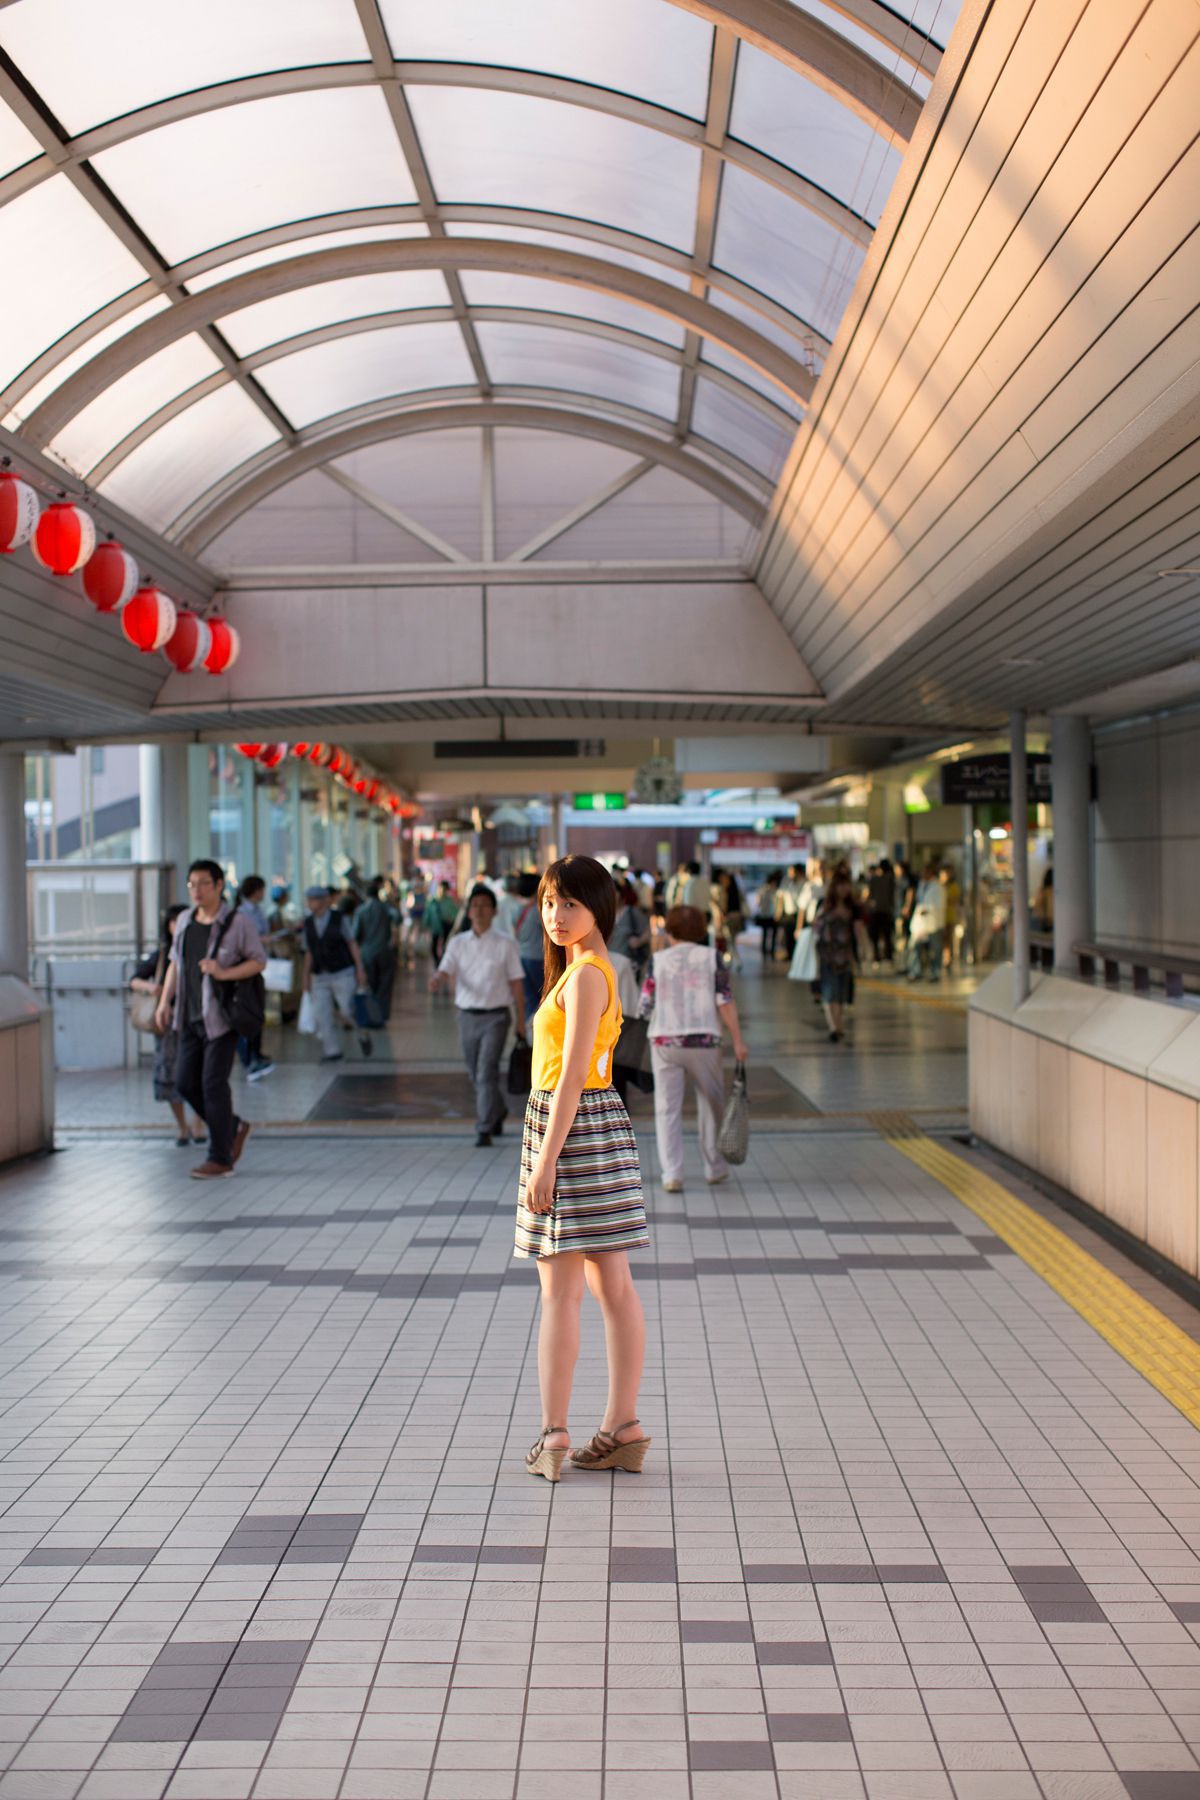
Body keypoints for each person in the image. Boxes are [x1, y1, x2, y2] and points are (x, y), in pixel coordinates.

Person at [514, 854, 650, 1483]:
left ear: (600, 907)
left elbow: (570, 1075)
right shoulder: (580, 972)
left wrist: (544, 1164)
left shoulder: (589, 975)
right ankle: (621, 1428)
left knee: (565, 1293)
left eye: (570, 903)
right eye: (548, 903)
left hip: (572, 1131)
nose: (556, 916)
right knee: (607, 1286)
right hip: (588, 1129)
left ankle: (555, 1434)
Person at [154, 859, 265, 1180]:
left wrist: (224, 972)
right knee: (185, 1082)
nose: (197, 890)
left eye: (204, 883)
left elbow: (259, 961)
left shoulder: (237, 922)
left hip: (221, 1017)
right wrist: (165, 1002)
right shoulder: (186, 920)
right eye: (192, 884)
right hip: (188, 1016)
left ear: (219, 886)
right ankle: (233, 1127)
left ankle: (220, 1157)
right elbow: (175, 963)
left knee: (213, 1085)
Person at [638, 904, 748, 1195]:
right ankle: (715, 1168)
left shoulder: (657, 960)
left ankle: (672, 1174)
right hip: (705, 1041)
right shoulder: (712, 958)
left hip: (665, 1041)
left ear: (670, 930)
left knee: (667, 1109)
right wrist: (738, 1040)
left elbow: (645, 1006)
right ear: (701, 931)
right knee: (711, 1105)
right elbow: (725, 1001)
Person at [430, 884, 526, 1146]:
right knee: (475, 1072)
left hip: (496, 1017)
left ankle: (483, 1127)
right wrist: (438, 978)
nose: (479, 910)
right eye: (475, 905)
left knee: (486, 1071)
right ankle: (498, 1109)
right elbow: (445, 967)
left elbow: (517, 983)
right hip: (467, 1016)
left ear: (494, 911)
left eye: (485, 905)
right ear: (468, 911)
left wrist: (520, 1020)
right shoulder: (458, 943)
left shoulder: (506, 943)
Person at [131, 904, 205, 1147]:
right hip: (167, 1024)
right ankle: (183, 1126)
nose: (178, 927)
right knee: (171, 1075)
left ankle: (198, 1123)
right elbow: (135, 978)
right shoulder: (163, 955)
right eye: (174, 922)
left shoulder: (202, 949)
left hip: (196, 1020)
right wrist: (153, 990)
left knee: (200, 1074)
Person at [301, 885, 373, 1062]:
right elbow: (309, 951)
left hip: (343, 972)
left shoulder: (338, 919)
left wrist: (360, 969)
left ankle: (362, 1033)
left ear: (325, 901)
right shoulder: (307, 923)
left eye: (315, 899)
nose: (311, 903)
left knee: (348, 1010)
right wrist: (305, 977)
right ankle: (332, 1051)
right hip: (319, 975)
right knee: (322, 1014)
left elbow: (352, 943)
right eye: (309, 899)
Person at [234, 875, 274, 1081]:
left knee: (257, 1012)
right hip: (244, 970)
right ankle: (248, 1058)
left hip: (258, 967)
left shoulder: (257, 911)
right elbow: (241, 941)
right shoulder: (241, 914)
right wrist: (260, 939)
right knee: (246, 1014)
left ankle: (255, 1054)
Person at [814, 872, 858, 1042]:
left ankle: (838, 1024)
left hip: (845, 954)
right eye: (841, 885)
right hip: (827, 953)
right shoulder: (825, 905)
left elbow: (857, 929)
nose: (845, 889)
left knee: (841, 991)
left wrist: (860, 950)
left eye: (846, 885)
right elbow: (816, 927)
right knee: (828, 991)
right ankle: (833, 1026)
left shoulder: (852, 907)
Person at [353, 876, 399, 1022]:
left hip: (367, 954)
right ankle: (382, 1016)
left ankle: (371, 1016)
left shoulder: (360, 911)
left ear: (365, 896)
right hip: (385, 952)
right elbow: (398, 918)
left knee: (370, 985)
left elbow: (355, 934)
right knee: (384, 985)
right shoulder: (386, 908)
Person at [513, 871, 545, 1017]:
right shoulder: (538, 910)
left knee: (530, 1000)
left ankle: (529, 1033)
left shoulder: (519, 908)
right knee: (543, 999)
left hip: (521, 957)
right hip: (538, 958)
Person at [908, 862, 946, 981]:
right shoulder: (922, 884)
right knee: (914, 947)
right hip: (921, 923)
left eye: (924, 872)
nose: (922, 874)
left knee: (935, 949)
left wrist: (928, 909)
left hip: (933, 922)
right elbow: (920, 900)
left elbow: (939, 904)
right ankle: (916, 971)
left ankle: (936, 972)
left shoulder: (938, 887)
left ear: (930, 873)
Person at [609, 878, 650, 974]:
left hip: (629, 965)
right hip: (608, 964)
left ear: (620, 894)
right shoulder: (601, 915)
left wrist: (639, 941)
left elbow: (648, 932)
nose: (612, 896)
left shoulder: (632, 913)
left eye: (615, 892)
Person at [712, 868, 745, 969]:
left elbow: (722, 907)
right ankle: (730, 961)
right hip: (735, 917)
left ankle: (735, 961)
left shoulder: (722, 890)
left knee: (730, 941)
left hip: (729, 918)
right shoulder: (733, 890)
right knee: (730, 941)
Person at [866, 857, 896, 966]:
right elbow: (892, 896)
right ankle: (888, 956)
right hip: (886, 910)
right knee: (887, 935)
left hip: (876, 910)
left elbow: (869, 895)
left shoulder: (874, 879)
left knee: (875, 936)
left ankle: (876, 957)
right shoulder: (890, 879)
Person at [427, 880, 457, 964]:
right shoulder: (432, 901)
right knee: (433, 946)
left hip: (446, 925)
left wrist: (451, 919)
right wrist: (426, 925)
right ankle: (437, 963)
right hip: (435, 926)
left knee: (445, 945)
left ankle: (443, 963)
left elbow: (455, 913)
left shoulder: (449, 900)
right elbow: (428, 913)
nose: (442, 890)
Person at [755, 871, 782, 960]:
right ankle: (771, 951)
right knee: (772, 935)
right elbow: (778, 903)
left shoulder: (762, 890)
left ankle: (765, 951)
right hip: (772, 915)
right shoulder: (775, 890)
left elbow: (758, 902)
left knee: (765, 934)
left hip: (765, 915)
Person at [940, 863, 962, 970]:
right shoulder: (938, 885)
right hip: (938, 917)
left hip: (949, 916)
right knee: (942, 939)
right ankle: (944, 958)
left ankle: (947, 959)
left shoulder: (953, 886)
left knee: (948, 939)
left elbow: (955, 901)